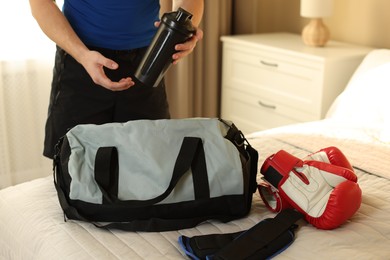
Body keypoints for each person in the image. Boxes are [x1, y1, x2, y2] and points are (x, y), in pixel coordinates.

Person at [29, 0, 204, 159]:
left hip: (146, 62)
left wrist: (184, 31)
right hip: (80, 59)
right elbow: (40, 3)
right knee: (73, 163)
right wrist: (82, 55)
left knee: (151, 160)